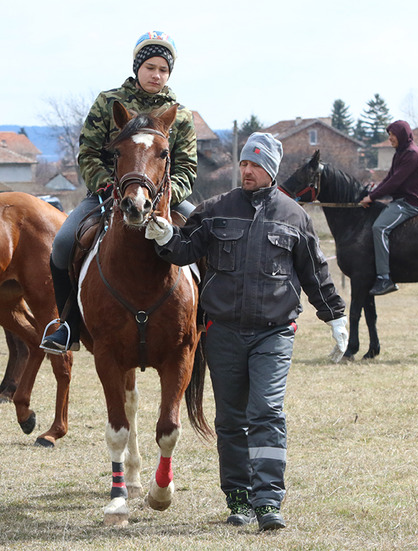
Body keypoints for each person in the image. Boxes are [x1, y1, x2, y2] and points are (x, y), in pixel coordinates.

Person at [144, 133, 348, 531]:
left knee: (267, 412)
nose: (246, 170)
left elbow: (314, 271)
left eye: (254, 165)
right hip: (222, 332)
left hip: (274, 333)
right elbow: (186, 249)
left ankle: (268, 501)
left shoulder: (294, 216)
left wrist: (334, 315)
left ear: (270, 169)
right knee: (231, 419)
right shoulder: (215, 209)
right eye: (243, 164)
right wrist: (166, 239)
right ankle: (238, 499)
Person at [40, 30, 198, 354]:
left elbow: (187, 166)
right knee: (63, 243)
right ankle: (68, 324)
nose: (157, 75)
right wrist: (107, 185)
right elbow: (88, 153)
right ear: (137, 67)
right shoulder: (108, 101)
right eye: (151, 67)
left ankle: (208, 321)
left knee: (211, 240)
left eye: (163, 70)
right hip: (111, 193)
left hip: (165, 196)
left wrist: (164, 195)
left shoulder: (179, 114)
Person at [359, 120, 418, 295]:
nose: (390, 139)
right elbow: (389, 178)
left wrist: (372, 197)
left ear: (402, 134)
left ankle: (384, 278)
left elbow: (395, 182)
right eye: (389, 135)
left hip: (408, 204)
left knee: (379, 228)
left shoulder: (412, 154)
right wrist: (372, 192)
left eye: (392, 135)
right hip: (398, 201)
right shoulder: (401, 153)